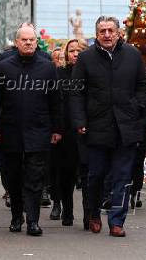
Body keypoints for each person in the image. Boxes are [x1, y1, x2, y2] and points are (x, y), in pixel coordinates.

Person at [71, 16, 146, 237]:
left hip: (126, 127)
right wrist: (80, 121)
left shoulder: (133, 55)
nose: (107, 35)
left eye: (110, 30)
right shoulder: (85, 58)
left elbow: (142, 87)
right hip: (96, 127)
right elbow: (76, 92)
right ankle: (94, 213)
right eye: (102, 31)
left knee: (122, 177)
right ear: (96, 34)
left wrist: (137, 108)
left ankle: (117, 221)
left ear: (118, 33)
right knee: (95, 175)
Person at [0, 26, 62, 236]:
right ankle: (17, 217)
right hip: (10, 131)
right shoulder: (4, 67)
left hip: (38, 131)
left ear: (36, 42)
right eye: (24, 40)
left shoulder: (48, 67)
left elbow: (56, 101)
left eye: (32, 40)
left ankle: (33, 221)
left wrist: (57, 128)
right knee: (13, 178)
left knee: (35, 178)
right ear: (17, 42)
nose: (28, 43)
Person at [50, 39, 85, 226]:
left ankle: (89, 214)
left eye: (79, 51)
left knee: (87, 174)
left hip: (87, 130)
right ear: (66, 54)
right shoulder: (59, 73)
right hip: (66, 131)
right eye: (72, 51)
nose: (75, 54)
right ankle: (67, 211)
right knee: (66, 174)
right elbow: (55, 103)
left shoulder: (89, 73)